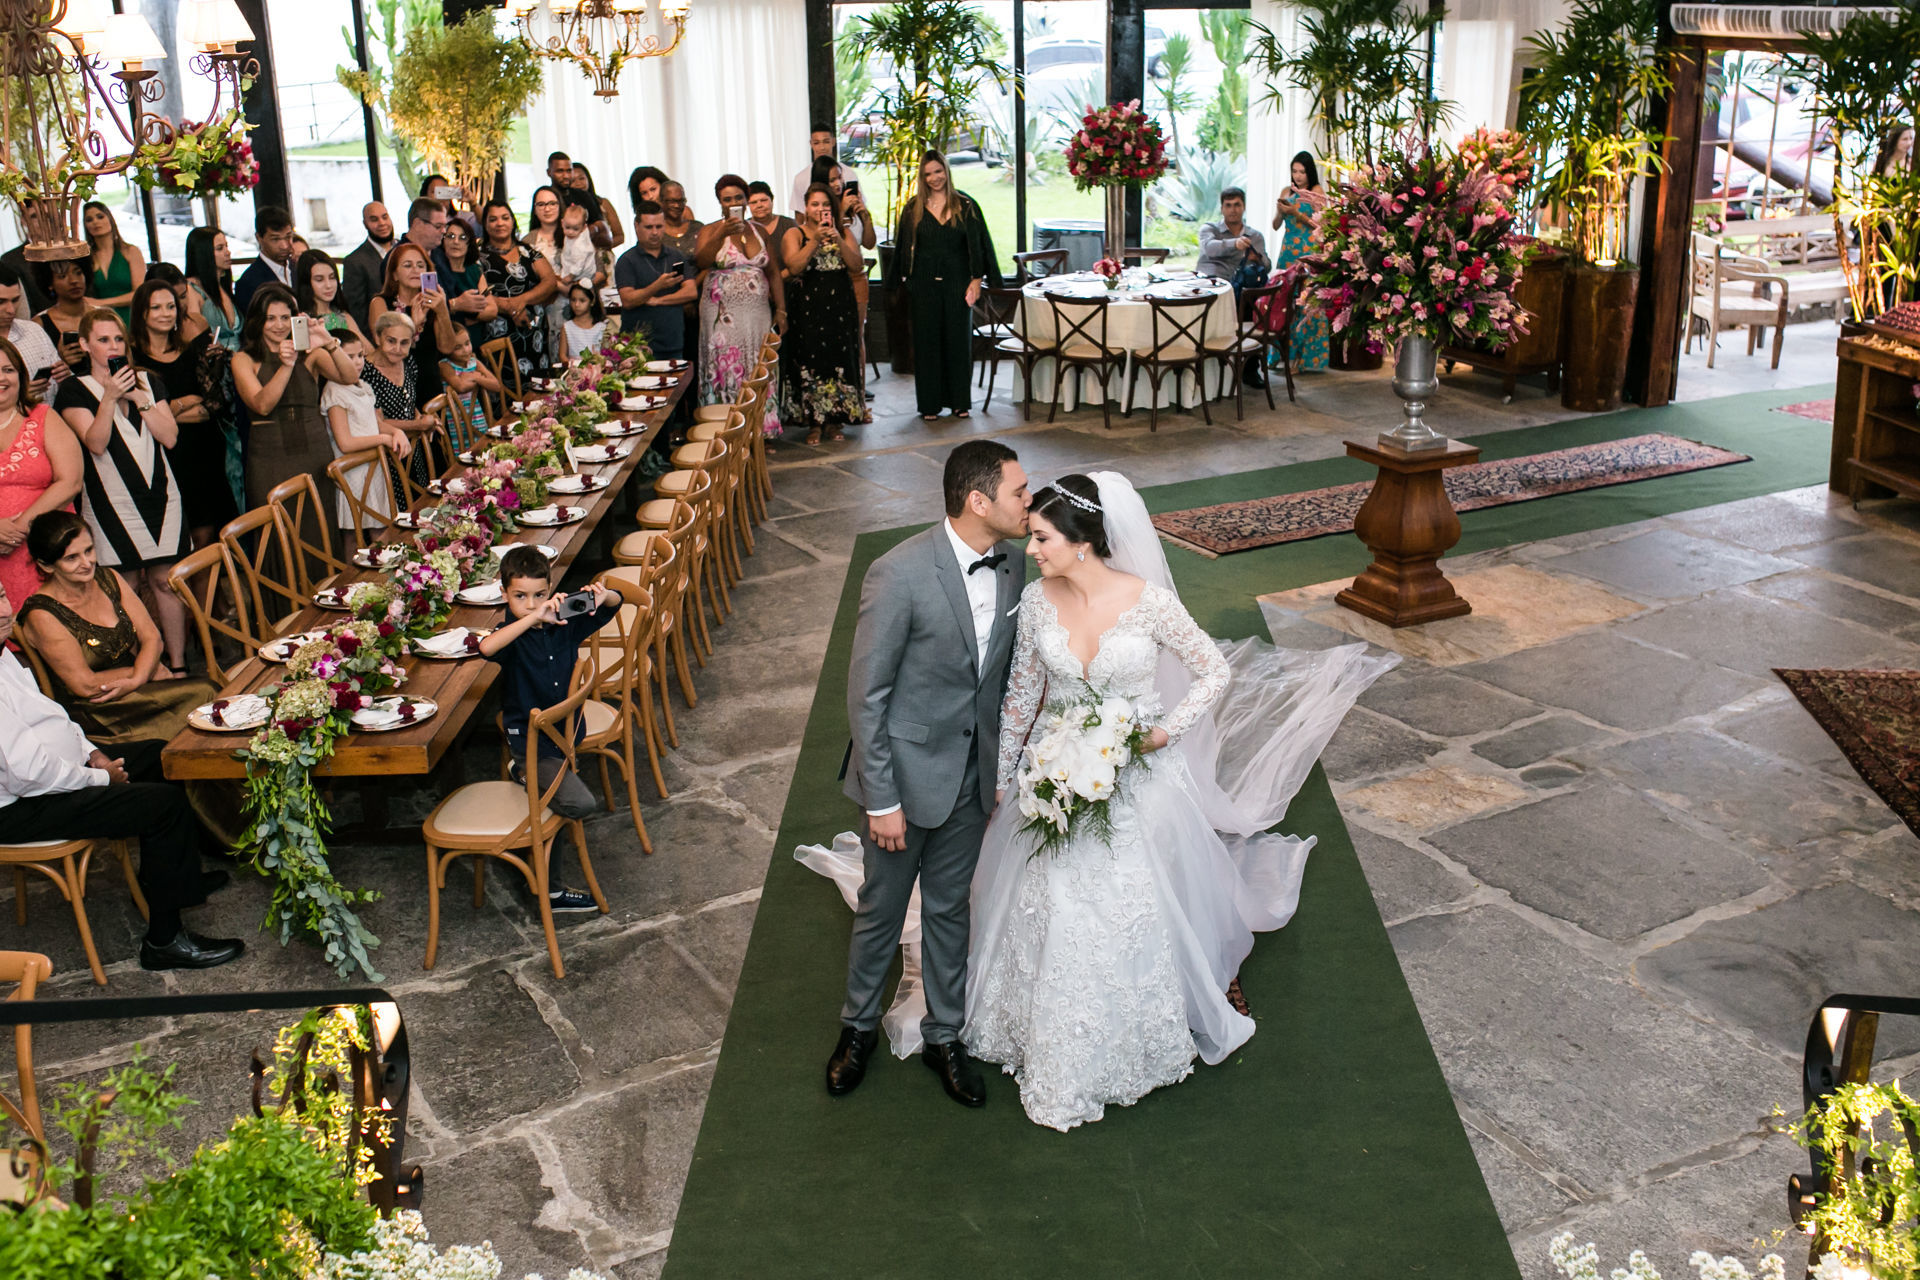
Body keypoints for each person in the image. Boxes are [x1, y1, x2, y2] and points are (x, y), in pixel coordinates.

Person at [822, 440, 1031, 1107]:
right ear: (979, 501)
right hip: (904, 784)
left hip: (973, 780)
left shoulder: (1017, 566)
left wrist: (996, 771)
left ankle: (946, 1034)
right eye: (1019, 492)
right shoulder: (897, 572)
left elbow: (997, 681)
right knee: (882, 910)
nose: (1029, 502)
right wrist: (882, 797)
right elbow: (867, 697)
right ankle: (856, 1030)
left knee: (949, 910)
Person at [0, 577, 244, 972]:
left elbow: (51, 720)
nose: (2, 611)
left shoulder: (3, 653)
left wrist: (93, 753)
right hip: (18, 806)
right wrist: (101, 778)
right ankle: (165, 942)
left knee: (157, 755)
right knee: (160, 806)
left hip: (56, 772)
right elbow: (27, 774)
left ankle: (160, 884)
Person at [478, 545, 624, 914]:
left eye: (540, 595)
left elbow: (615, 605)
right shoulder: (512, 636)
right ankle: (523, 776)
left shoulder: (566, 624)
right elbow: (485, 647)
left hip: (567, 736)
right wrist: (532, 618)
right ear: (503, 593)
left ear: (551, 589)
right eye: (520, 597)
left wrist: (603, 594)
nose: (531, 604)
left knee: (557, 800)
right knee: (578, 802)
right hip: (532, 746)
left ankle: (552, 887)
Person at [52, 307, 191, 674]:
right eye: (102, 340)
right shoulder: (73, 390)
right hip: (110, 498)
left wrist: (140, 398)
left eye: (117, 339)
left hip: (160, 492)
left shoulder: (148, 381)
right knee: (124, 586)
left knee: (167, 581)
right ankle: (143, 668)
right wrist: (110, 397)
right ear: (84, 345)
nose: (113, 347)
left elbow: (170, 437)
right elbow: (95, 443)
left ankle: (178, 665)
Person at [17, 510, 218, 742]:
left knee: (207, 698)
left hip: (136, 688)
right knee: (206, 696)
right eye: (72, 558)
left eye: (89, 550)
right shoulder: (42, 613)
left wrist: (137, 678)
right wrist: (147, 672)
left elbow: (152, 637)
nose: (87, 563)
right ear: (47, 566)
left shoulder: (108, 578)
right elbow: (84, 684)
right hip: (98, 710)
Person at [888, 150, 998, 422]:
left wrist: (977, 280)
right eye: (928, 174)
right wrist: (905, 281)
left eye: (938, 171)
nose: (934, 178)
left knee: (958, 343)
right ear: (922, 178)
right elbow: (902, 248)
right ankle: (929, 405)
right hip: (923, 285)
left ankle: (960, 402)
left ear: (946, 171)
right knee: (926, 345)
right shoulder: (913, 208)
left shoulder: (966, 205)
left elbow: (979, 244)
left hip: (958, 285)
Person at [232, 283, 349, 534]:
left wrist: (328, 342)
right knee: (277, 531)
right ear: (257, 321)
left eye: (286, 318)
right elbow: (262, 405)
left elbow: (349, 377)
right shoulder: (243, 359)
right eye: (270, 318)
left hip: (314, 451)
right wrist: (286, 365)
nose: (279, 325)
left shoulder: (311, 353)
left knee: (320, 527)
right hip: (270, 456)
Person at [129, 278, 234, 553]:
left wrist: (163, 412)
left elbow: (210, 406)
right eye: (157, 308)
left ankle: (212, 595)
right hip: (164, 458)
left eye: (171, 306)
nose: (166, 313)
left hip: (202, 454)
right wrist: (180, 404)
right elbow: (136, 416)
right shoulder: (133, 359)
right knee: (182, 538)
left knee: (210, 535)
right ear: (142, 313)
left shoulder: (190, 353)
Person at [0, 336, 83, 609]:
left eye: (8, 369)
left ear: (21, 375)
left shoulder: (42, 416)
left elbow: (70, 481)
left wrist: (20, 528)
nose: (1, 378)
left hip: (48, 546)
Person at [696, 180, 785, 433]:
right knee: (726, 366)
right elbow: (701, 260)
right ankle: (725, 431)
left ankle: (759, 431)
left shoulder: (760, 231)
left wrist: (781, 309)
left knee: (757, 366)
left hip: (757, 316)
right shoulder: (710, 230)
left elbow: (775, 272)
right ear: (720, 202)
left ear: (746, 200)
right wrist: (721, 234)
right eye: (727, 199)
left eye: (738, 198)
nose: (734, 203)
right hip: (722, 316)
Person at [781, 185, 865, 445]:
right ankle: (814, 423)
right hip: (807, 310)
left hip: (840, 308)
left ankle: (836, 420)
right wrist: (816, 240)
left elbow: (857, 264)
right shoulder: (795, 233)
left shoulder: (843, 232)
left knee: (840, 360)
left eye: (825, 205)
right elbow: (793, 266)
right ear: (805, 207)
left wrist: (837, 238)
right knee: (810, 361)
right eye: (815, 204)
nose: (820, 210)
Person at [322, 330, 407, 532]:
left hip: (373, 467)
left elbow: (373, 422)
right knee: (354, 532)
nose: (358, 362)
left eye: (360, 355)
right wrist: (384, 439)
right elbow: (345, 443)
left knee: (380, 526)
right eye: (349, 357)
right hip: (352, 474)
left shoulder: (364, 386)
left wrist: (396, 432)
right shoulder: (334, 392)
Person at [367, 241, 457, 405]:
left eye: (420, 265)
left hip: (430, 386)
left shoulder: (433, 303)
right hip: (396, 389)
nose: (415, 270)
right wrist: (413, 325)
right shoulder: (380, 303)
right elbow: (386, 352)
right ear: (394, 274)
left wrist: (442, 310)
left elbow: (448, 348)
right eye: (408, 265)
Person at [478, 199, 559, 381]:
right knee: (505, 391)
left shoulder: (527, 251)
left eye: (505, 218)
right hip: (498, 337)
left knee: (538, 390)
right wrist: (508, 306)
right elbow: (478, 293)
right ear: (484, 224)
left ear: (512, 221)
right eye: (493, 219)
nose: (500, 223)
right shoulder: (477, 256)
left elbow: (550, 281)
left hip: (533, 335)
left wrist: (521, 301)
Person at [1268, 151, 1331, 373]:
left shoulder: (1316, 191)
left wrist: (1295, 212)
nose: (1297, 176)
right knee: (1283, 303)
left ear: (1309, 172)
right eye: (1294, 171)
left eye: (1302, 171)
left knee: (1306, 303)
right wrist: (1280, 211)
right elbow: (1276, 225)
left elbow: (1323, 226)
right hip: (1287, 252)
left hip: (1308, 252)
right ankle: (1280, 354)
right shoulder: (1287, 191)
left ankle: (1302, 359)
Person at [614, 200, 697, 359]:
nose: (654, 232)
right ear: (636, 226)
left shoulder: (676, 256)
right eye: (649, 227)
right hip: (637, 346)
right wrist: (657, 285)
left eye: (659, 227)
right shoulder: (627, 260)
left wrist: (659, 300)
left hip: (673, 341)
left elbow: (691, 292)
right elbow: (628, 300)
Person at [0, 263, 63, 398]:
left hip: (51, 415)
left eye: (15, 300)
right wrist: (17, 397)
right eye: (1, 302)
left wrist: (65, 375)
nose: (11, 310)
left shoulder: (33, 330)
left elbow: (59, 384)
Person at [437, 326, 501, 450]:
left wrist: (475, 378)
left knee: (484, 450)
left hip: (477, 417)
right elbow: (460, 386)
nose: (465, 350)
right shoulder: (445, 366)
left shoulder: (474, 362)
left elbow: (496, 385)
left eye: (467, 343)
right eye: (458, 347)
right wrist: (478, 377)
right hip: (457, 421)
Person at [82, 201, 147, 324]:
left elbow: (139, 293)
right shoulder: (87, 258)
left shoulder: (131, 252)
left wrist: (100, 303)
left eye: (100, 216)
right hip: (102, 321)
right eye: (89, 220)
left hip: (132, 318)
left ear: (110, 218)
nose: (95, 222)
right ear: (86, 226)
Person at [1198, 186, 1270, 289]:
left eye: (1237, 205)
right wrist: (1235, 244)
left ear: (1244, 207)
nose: (1233, 210)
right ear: (1222, 209)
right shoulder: (1210, 229)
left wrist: (1258, 259)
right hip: (1210, 287)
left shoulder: (1255, 236)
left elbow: (1267, 267)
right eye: (1228, 205)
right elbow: (1209, 249)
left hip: (1242, 290)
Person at [184, 227, 241, 352]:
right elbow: (193, 336)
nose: (228, 252)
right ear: (203, 253)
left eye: (226, 246)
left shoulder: (222, 285)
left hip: (238, 360)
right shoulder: (190, 289)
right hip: (214, 364)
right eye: (220, 248)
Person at [234, 205, 300, 315]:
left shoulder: (297, 268)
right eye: (275, 239)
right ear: (259, 238)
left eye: (288, 237)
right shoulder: (249, 282)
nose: (284, 245)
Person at [342, 200, 396, 333]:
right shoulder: (355, 261)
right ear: (365, 224)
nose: (382, 223)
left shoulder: (403, 250)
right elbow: (357, 313)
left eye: (385, 217)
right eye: (374, 219)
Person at [295, 249, 368, 348]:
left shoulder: (343, 316)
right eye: (319, 280)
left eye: (332, 277)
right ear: (306, 283)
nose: (328, 285)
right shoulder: (302, 321)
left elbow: (369, 351)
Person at [36, 257, 93, 376]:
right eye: (62, 276)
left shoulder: (104, 315)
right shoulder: (38, 325)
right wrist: (61, 360)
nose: (73, 281)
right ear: (50, 284)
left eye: (78, 273)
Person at [791, 123, 858, 220]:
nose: (822, 147)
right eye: (817, 143)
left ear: (833, 142)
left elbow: (857, 207)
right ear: (811, 144)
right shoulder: (801, 178)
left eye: (826, 142)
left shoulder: (848, 173)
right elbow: (799, 214)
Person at [746, 182, 799, 277]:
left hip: (789, 281)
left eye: (764, 200)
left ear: (772, 200)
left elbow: (797, 260)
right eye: (753, 202)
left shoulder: (789, 224)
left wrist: (777, 281)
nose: (759, 205)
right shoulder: (744, 228)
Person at [568, 162, 625, 249]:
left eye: (581, 178)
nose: (578, 183)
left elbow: (620, 236)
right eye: (573, 181)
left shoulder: (603, 203)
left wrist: (599, 247)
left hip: (602, 258)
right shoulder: (566, 207)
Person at [560, 283, 613, 364]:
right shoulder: (567, 327)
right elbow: (562, 355)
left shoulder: (601, 327)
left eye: (582, 300)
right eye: (573, 300)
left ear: (592, 302)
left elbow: (606, 353)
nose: (576, 305)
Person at [547, 151, 602, 222]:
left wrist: (585, 231)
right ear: (549, 172)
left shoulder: (584, 196)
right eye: (560, 171)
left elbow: (601, 225)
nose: (566, 176)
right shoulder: (544, 198)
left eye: (569, 171)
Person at [661, 181, 703, 256]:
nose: (677, 205)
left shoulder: (697, 228)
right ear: (661, 202)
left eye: (681, 201)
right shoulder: (657, 232)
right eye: (672, 201)